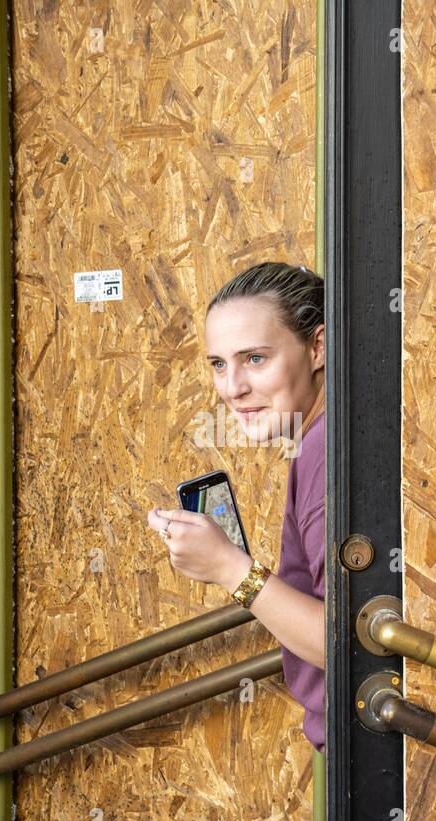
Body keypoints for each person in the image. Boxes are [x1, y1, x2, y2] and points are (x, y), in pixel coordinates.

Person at [147, 261, 326, 752]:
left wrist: (229, 567)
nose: (233, 387)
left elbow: (346, 640)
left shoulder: (324, 454)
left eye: (255, 359)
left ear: (317, 347)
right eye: (219, 364)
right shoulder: (316, 439)